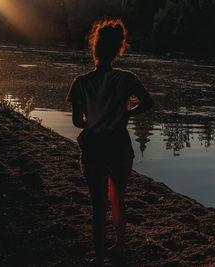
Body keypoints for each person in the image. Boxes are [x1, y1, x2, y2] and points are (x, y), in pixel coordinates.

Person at [66, 19, 154, 266]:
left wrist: (91, 123)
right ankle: (120, 245)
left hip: (94, 145)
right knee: (118, 197)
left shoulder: (81, 83)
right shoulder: (127, 78)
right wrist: (127, 113)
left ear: (94, 48)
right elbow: (148, 103)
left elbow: (77, 122)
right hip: (119, 144)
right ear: (118, 50)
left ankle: (99, 255)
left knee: (97, 204)